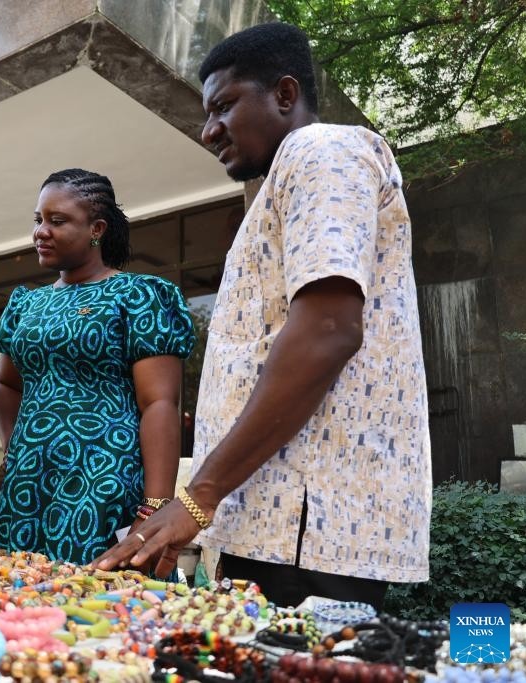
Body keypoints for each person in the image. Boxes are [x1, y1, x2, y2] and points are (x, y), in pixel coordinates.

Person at [95, 23, 431, 609]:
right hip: (272, 527)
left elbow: (328, 331)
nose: (207, 131)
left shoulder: (321, 150)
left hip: (310, 528)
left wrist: (197, 499)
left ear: (284, 94)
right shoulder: (288, 177)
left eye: (223, 106)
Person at [0, 169, 195, 566]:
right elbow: (6, 384)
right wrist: (18, 448)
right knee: (16, 592)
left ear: (97, 229)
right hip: (27, 485)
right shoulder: (25, 305)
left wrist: (155, 505)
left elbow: (159, 404)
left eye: (58, 220)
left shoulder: (138, 296)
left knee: (99, 598)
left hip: (103, 478)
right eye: (38, 220)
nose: (41, 231)